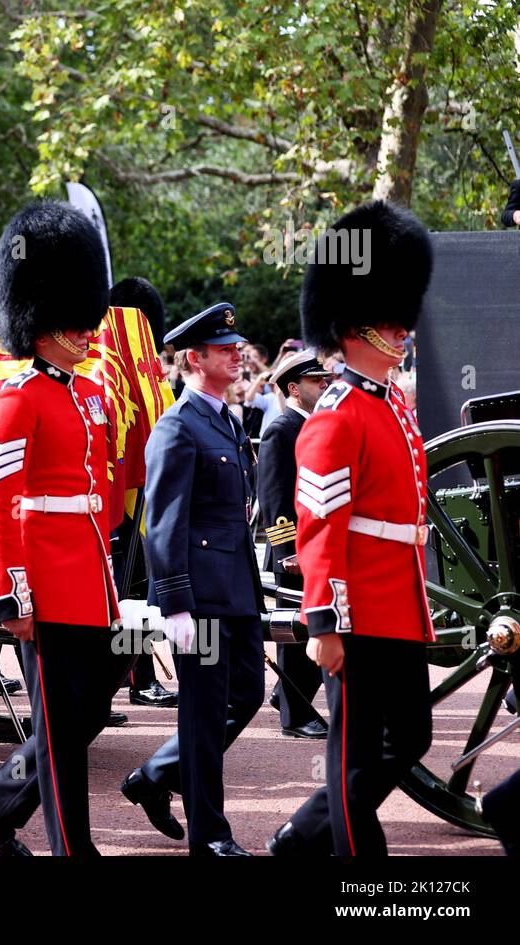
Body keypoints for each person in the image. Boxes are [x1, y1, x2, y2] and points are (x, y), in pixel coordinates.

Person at [267, 201, 436, 857]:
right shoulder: (337, 415)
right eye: (393, 323)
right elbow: (318, 529)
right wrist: (324, 622)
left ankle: (301, 835)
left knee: (411, 739)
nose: (404, 331)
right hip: (356, 607)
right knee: (352, 752)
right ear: (362, 330)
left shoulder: (391, 404)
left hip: (398, 601)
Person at [0, 200, 119, 857]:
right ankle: (71, 847)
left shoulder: (87, 395)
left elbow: (99, 494)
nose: (86, 331)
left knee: (79, 717)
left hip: (87, 580)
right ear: (38, 318)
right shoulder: (17, 401)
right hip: (44, 585)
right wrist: (13, 594)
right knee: (60, 723)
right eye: (72, 319)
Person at [121, 301, 265, 857]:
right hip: (198, 598)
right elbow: (164, 522)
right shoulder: (178, 426)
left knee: (247, 695)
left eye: (236, 348)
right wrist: (176, 604)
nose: (236, 356)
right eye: (224, 350)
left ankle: (154, 777)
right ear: (194, 359)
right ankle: (210, 836)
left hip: (235, 589)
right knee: (203, 716)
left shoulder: (227, 419)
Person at [109, 276, 178, 709]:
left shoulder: (143, 366)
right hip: (124, 502)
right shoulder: (124, 368)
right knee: (128, 589)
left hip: (140, 498)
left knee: (135, 587)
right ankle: (133, 678)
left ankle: (137, 677)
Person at [258, 349, 332, 740]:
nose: (324, 384)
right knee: (297, 632)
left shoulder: (315, 424)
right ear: (293, 388)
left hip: (317, 546)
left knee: (315, 623)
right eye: (315, 381)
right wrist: (288, 550)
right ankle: (295, 715)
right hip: (295, 550)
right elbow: (274, 495)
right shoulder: (281, 429)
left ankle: (285, 696)